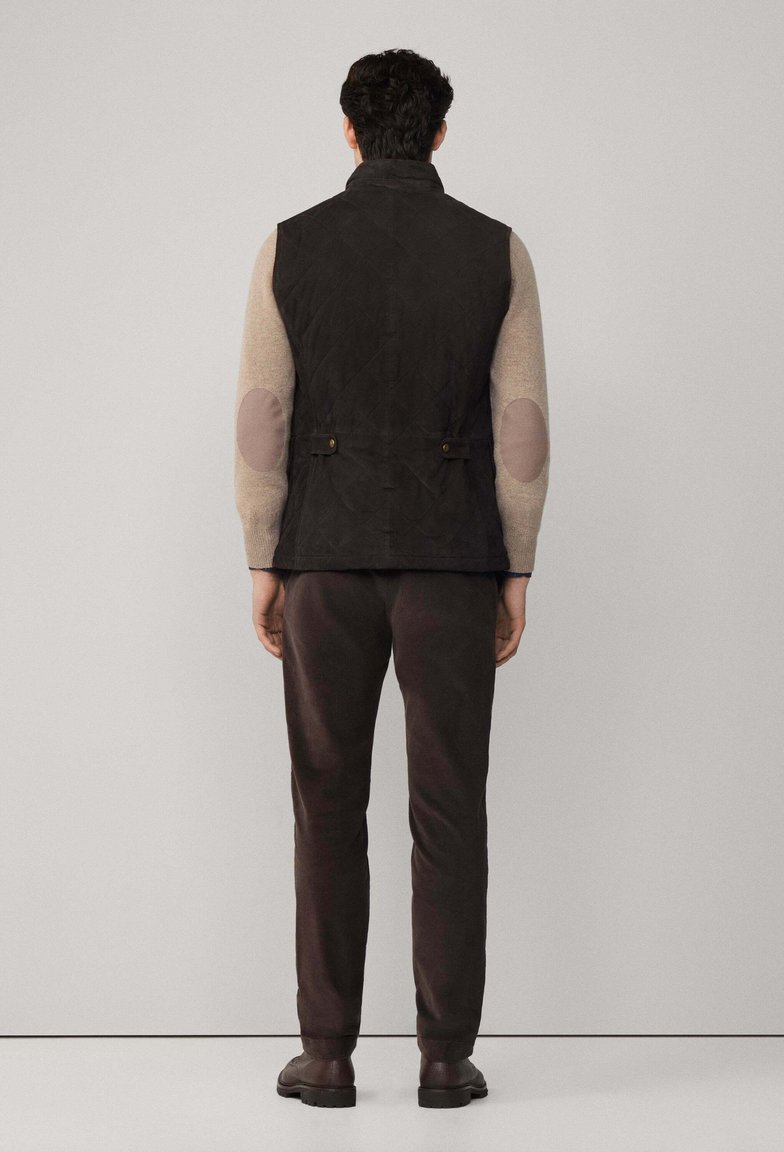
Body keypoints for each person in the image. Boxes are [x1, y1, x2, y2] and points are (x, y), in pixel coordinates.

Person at [233, 48, 550, 1109]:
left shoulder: (290, 245)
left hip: (323, 557)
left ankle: (326, 1056)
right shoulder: (496, 250)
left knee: (325, 801)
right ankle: (445, 1059)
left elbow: (262, 417)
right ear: (440, 133)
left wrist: (262, 555)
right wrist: (515, 566)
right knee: (449, 806)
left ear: (349, 130)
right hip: (452, 560)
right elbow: (520, 427)